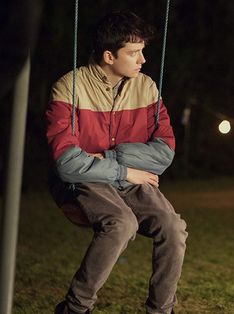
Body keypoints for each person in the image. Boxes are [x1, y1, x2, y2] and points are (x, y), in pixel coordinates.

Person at [46, 11, 188, 314]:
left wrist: (112, 159)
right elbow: (67, 163)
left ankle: (161, 309)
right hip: (86, 181)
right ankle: (75, 308)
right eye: (134, 52)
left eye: (143, 52)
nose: (143, 60)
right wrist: (126, 169)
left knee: (173, 227)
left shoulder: (146, 87)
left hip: (130, 178)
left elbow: (164, 151)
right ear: (109, 56)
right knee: (122, 224)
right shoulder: (69, 87)